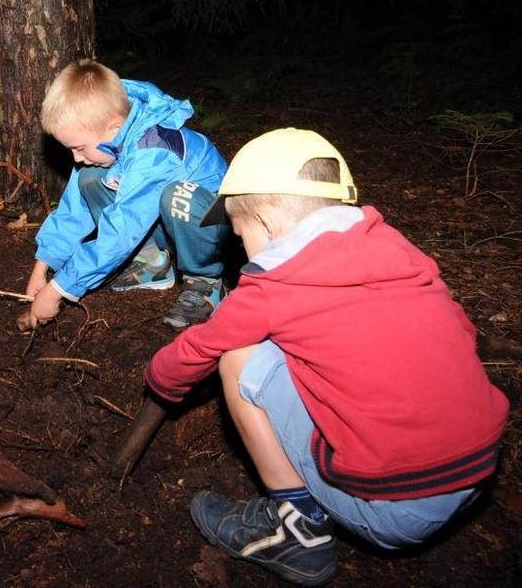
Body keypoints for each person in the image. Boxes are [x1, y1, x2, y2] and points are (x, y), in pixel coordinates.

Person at [143, 128, 509, 586]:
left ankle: (300, 531)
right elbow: (462, 333)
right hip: (475, 471)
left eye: (241, 236)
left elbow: (198, 348)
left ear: (267, 222)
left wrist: (157, 377)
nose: (242, 251)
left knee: (240, 355)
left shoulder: (274, 283)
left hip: (391, 507)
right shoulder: (401, 252)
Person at [23, 59, 229, 330]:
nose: (75, 157)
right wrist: (43, 266)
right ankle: (151, 265)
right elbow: (74, 209)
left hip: (208, 229)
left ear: (114, 129)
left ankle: (206, 284)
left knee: (179, 196)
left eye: (80, 148)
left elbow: (121, 229)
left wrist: (58, 289)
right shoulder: (108, 138)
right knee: (90, 177)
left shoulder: (156, 151)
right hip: (160, 222)